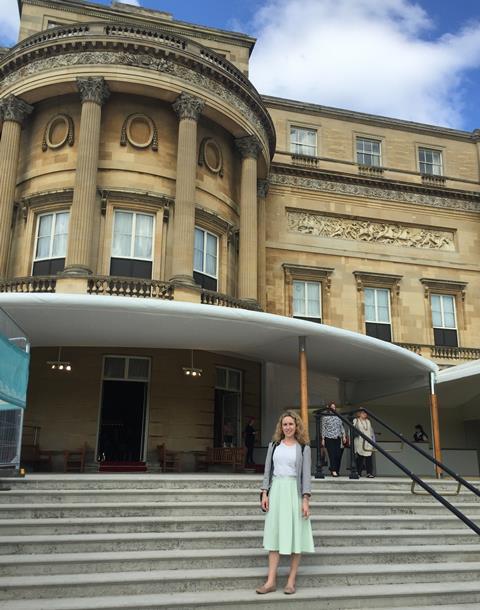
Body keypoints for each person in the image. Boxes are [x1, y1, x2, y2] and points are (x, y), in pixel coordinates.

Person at [257, 410, 314, 595]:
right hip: (277, 491)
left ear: (296, 426)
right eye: (285, 424)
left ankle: (290, 581)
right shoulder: (274, 445)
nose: (288, 427)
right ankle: (270, 581)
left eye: (291, 424)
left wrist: (305, 499)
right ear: (281, 427)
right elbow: (267, 470)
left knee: (295, 536)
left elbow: (306, 475)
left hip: (294, 492)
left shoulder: (303, 447)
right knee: (274, 536)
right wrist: (264, 493)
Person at [321, 401, 346, 477]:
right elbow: (323, 428)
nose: (333, 409)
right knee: (332, 454)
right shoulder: (325, 417)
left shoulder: (338, 416)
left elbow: (341, 426)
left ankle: (333, 468)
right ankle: (334, 471)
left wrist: (344, 436)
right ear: (329, 408)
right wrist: (323, 439)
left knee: (337, 455)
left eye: (334, 408)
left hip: (338, 437)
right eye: (332, 407)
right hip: (329, 438)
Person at [353, 409, 375, 477]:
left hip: (368, 441)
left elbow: (371, 431)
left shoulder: (368, 421)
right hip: (359, 440)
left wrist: (373, 440)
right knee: (360, 457)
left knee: (369, 457)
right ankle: (358, 472)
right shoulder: (355, 420)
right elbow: (353, 430)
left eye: (366, 413)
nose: (365, 414)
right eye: (363, 413)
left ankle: (369, 473)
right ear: (359, 413)